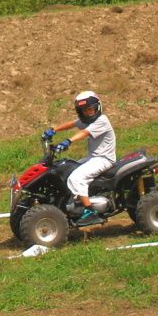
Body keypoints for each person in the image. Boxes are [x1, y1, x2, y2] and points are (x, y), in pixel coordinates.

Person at [44, 90, 116, 226]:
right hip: (94, 157)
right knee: (69, 169)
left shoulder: (102, 121)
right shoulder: (88, 119)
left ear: (97, 107)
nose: (88, 112)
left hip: (104, 159)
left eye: (91, 109)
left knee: (76, 178)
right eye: (84, 110)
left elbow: (84, 133)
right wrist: (54, 130)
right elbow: (72, 124)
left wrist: (68, 141)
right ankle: (76, 203)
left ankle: (90, 212)